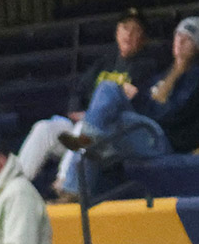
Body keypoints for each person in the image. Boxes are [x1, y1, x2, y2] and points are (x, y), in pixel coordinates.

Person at [56, 17, 199, 198]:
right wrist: (134, 97)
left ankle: (76, 180)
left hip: (163, 140)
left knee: (104, 110)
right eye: (178, 36)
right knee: (107, 95)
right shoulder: (166, 72)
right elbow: (146, 103)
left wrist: (136, 100)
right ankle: (85, 161)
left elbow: (171, 114)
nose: (179, 42)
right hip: (146, 131)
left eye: (188, 39)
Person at [19, 10, 163, 189]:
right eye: (125, 28)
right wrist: (75, 111)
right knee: (44, 129)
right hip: (84, 139)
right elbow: (78, 91)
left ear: (143, 38)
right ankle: (15, 185)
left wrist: (90, 118)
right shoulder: (104, 62)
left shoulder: (149, 66)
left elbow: (141, 106)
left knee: (84, 127)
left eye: (136, 31)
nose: (129, 34)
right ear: (117, 32)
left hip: (113, 137)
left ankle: (66, 184)